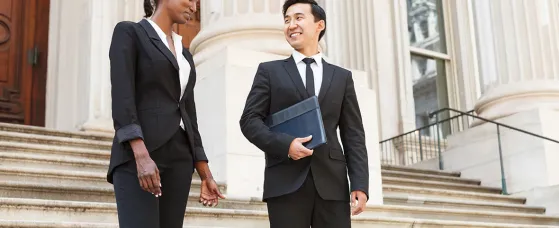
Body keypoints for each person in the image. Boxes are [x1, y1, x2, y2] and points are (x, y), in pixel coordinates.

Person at [239, 0, 369, 227]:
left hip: (332, 184)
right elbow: (249, 121)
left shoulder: (342, 77)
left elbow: (353, 134)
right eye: (287, 20)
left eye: (298, 18)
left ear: (319, 25)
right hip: (285, 183)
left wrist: (359, 183)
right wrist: (285, 145)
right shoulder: (269, 72)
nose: (291, 25)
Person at [107, 0, 224, 227]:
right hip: (140, 154)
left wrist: (205, 173)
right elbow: (123, 97)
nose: (194, 7)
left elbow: (189, 114)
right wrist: (141, 155)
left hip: (179, 159)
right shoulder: (130, 33)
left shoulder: (185, 54)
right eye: (190, 0)